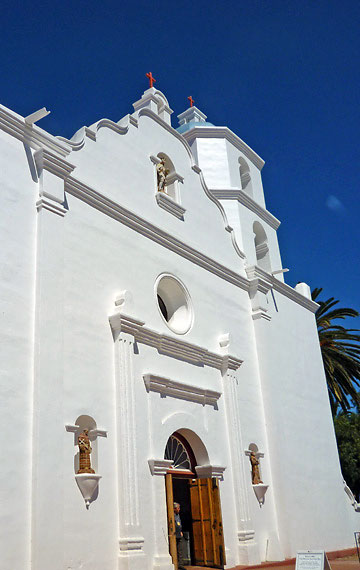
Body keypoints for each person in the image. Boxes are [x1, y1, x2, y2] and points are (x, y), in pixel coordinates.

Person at [174, 502, 186, 570]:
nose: (179, 509)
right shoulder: (172, 515)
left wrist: (180, 531)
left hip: (179, 534)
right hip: (174, 535)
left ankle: (180, 564)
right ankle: (175, 563)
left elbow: (179, 523)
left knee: (180, 550)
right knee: (174, 549)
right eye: (178, 508)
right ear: (174, 509)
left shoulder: (177, 515)